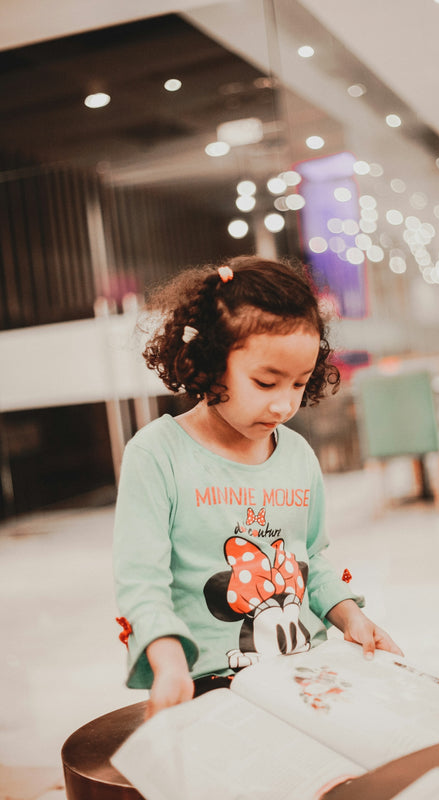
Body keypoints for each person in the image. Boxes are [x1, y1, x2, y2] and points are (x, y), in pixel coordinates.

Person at [113, 255, 402, 719]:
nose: (284, 405)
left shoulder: (298, 455)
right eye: (266, 383)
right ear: (210, 362)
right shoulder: (157, 455)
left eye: (299, 384)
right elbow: (141, 582)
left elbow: (312, 558)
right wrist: (168, 664)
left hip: (306, 676)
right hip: (210, 686)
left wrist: (353, 617)